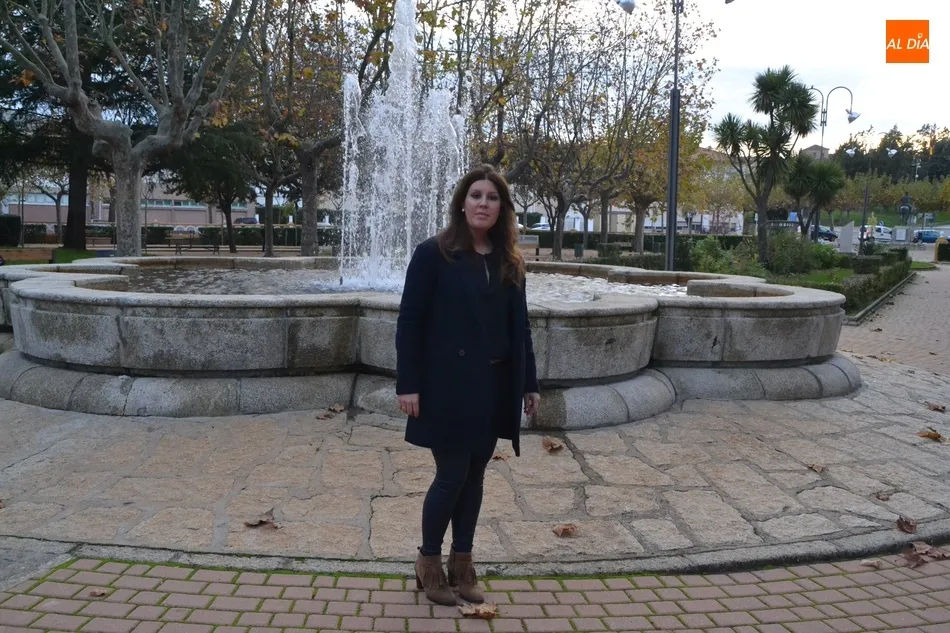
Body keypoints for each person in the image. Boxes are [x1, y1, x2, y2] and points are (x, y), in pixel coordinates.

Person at [395, 164, 541, 606]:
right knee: (451, 474)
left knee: (475, 477)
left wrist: (529, 382)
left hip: (494, 383)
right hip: (447, 385)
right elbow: (410, 322)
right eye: (476, 195)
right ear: (462, 202)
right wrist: (409, 384)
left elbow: (522, 329)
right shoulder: (433, 253)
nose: (483, 203)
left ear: (502, 208)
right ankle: (428, 562)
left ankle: (463, 564)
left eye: (492, 197)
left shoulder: (509, 259)